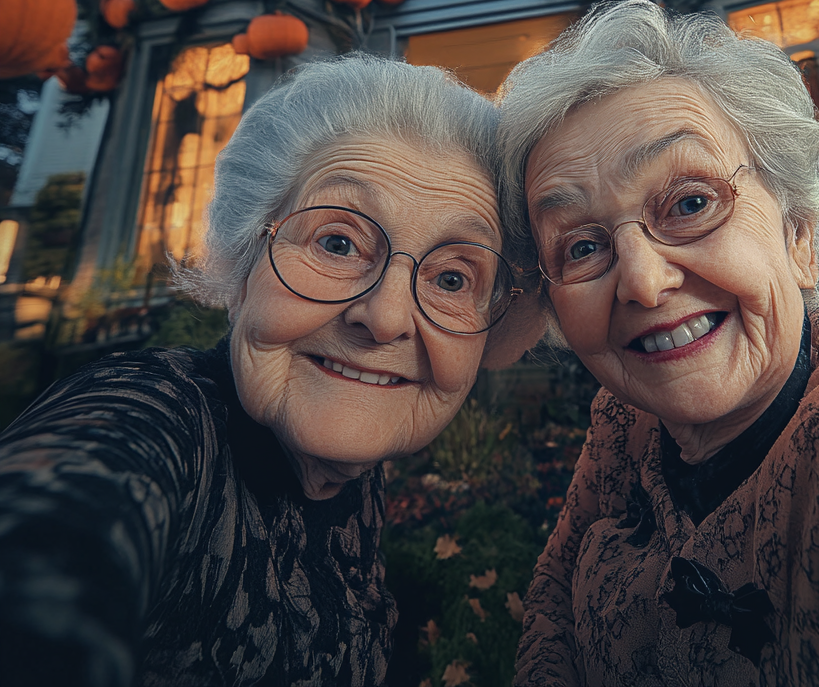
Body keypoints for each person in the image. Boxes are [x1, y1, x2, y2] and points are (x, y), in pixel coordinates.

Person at [497, 0, 819, 687]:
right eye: (583, 246)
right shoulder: (624, 419)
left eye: (690, 204)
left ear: (798, 235)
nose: (644, 283)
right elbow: (555, 600)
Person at [0, 53, 540, 687]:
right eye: (337, 243)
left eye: (452, 277)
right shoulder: (151, 418)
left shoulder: (346, 473)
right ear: (244, 258)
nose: (388, 316)